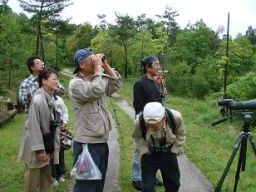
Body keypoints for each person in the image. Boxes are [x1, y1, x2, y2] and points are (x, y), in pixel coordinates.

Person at [68, 48, 122, 192]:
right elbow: (96, 90)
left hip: (101, 142)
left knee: (98, 183)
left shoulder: (96, 79)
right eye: (92, 60)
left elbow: (116, 85)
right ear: (82, 65)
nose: (96, 62)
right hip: (86, 143)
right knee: (86, 186)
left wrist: (105, 66)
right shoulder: (76, 84)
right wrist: (99, 69)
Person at [18, 69, 60, 192]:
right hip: (36, 145)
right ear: (44, 81)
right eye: (54, 79)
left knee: (47, 176)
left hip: (47, 142)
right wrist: (40, 150)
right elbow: (34, 127)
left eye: (57, 79)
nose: (57, 82)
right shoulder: (38, 100)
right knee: (33, 177)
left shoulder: (49, 96)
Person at [132, 102, 186, 192]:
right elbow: (137, 137)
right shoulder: (139, 121)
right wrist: (145, 150)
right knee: (147, 188)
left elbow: (181, 135)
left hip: (169, 152)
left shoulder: (176, 117)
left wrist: (173, 151)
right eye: (148, 124)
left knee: (173, 185)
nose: (151, 128)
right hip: (149, 153)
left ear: (163, 118)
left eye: (154, 125)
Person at [132, 55, 164, 190]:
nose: (158, 67)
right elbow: (138, 106)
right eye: (156, 64)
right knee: (141, 150)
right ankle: (136, 178)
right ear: (147, 67)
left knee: (155, 151)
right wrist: (145, 124)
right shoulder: (139, 84)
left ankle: (151, 176)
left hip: (157, 123)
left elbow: (160, 103)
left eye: (158, 64)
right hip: (144, 123)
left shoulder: (156, 83)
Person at [51, 87, 69, 186]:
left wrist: (64, 123)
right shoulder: (43, 99)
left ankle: (61, 173)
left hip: (60, 130)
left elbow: (65, 111)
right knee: (52, 153)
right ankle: (53, 175)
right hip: (50, 131)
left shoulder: (58, 99)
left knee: (60, 152)